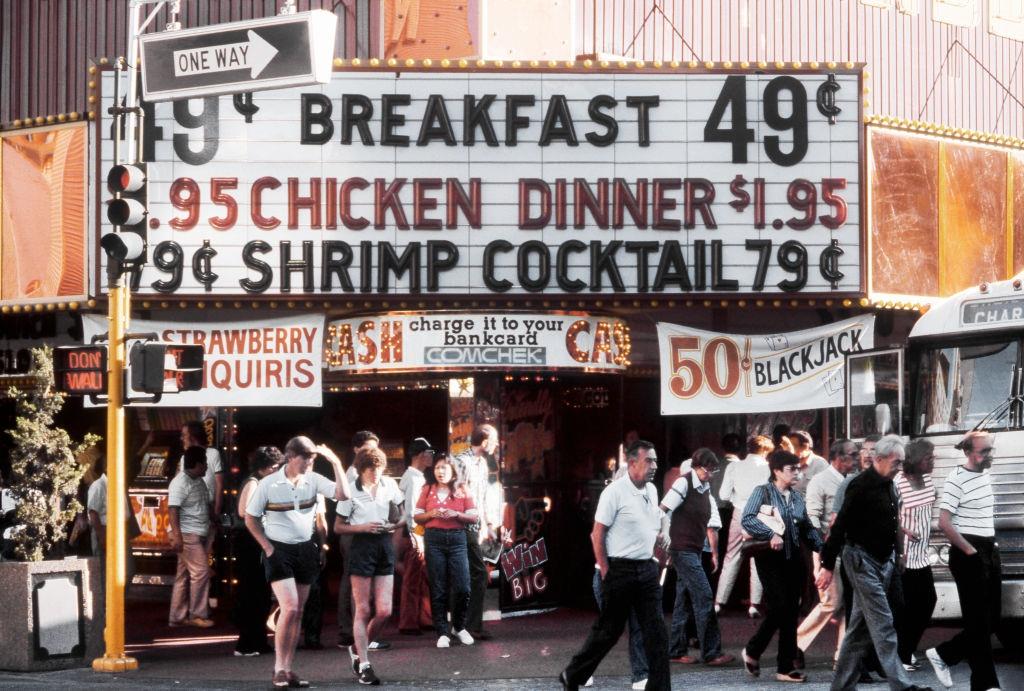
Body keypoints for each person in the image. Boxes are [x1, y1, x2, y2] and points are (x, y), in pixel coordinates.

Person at [817, 435, 930, 691]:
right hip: (861, 561)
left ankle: (841, 687)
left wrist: (899, 555)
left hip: (883, 562)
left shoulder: (890, 484)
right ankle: (902, 685)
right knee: (883, 623)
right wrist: (826, 564)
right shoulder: (859, 486)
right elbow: (839, 526)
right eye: (896, 462)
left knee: (858, 630)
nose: (899, 467)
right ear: (878, 459)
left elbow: (892, 524)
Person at [560, 440, 670, 691]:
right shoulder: (614, 492)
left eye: (655, 460)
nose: (654, 465)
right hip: (619, 569)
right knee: (608, 632)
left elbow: (656, 519)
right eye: (648, 461)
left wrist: (662, 535)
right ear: (632, 463)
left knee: (657, 634)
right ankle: (573, 675)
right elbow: (597, 535)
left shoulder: (651, 490)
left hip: (646, 568)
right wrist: (606, 570)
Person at [245, 436, 349, 689]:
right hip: (279, 550)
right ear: (291, 457)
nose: (309, 463)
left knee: (298, 611)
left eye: (313, 459)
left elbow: (343, 494)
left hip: (305, 549)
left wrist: (335, 461)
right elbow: (250, 518)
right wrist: (268, 548)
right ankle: (279, 668)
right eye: (306, 459)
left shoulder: (312, 480)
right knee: (290, 607)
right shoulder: (269, 483)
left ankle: (288, 668)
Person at [926, 431, 1002, 691]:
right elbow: (944, 523)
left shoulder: (985, 475)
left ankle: (944, 654)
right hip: (968, 552)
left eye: (990, 449)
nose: (989, 455)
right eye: (984, 451)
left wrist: (991, 545)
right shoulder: (956, 479)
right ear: (970, 452)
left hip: (988, 548)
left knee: (993, 619)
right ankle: (985, 684)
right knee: (979, 622)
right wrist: (970, 551)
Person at [740, 450, 822, 683]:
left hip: (793, 559)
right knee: (780, 607)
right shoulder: (762, 492)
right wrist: (770, 533)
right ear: (776, 471)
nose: (797, 472)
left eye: (798, 468)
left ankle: (783, 666)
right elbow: (748, 518)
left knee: (790, 611)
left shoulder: (796, 497)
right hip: (769, 559)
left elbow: (806, 528)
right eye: (791, 469)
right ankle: (756, 651)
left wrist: (824, 550)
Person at [336, 446, 403, 686]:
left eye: (379, 469)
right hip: (361, 545)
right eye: (371, 469)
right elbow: (338, 526)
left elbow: (403, 515)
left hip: (383, 543)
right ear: (361, 469)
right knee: (363, 609)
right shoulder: (350, 491)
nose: (376, 473)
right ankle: (364, 663)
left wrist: (394, 526)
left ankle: (356, 648)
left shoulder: (389, 486)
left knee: (384, 610)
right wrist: (362, 528)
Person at [660, 448, 733, 666]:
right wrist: (663, 537)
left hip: (693, 548)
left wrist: (713, 552)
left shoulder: (705, 487)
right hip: (682, 549)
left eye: (713, 471)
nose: (710, 474)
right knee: (704, 596)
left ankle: (676, 649)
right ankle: (711, 652)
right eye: (707, 470)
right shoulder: (683, 483)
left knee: (683, 600)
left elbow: (710, 522)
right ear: (696, 467)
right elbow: (663, 509)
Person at [796, 439, 858, 666]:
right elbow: (812, 517)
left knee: (846, 604)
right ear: (839, 458)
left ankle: (842, 656)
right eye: (853, 454)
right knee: (832, 601)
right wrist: (820, 557)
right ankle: (796, 644)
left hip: (849, 549)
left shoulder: (853, 479)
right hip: (826, 548)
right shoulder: (820, 481)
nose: (857, 457)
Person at [414, 453, 477, 648]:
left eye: (445, 468)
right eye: (438, 468)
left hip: (458, 539)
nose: (440, 472)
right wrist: (431, 513)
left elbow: (473, 516)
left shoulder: (462, 489)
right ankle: (441, 631)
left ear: (453, 471)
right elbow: (417, 516)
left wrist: (456, 514)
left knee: (463, 586)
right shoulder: (427, 489)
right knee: (438, 586)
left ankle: (458, 626)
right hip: (433, 539)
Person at [716, 434, 772, 617]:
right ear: (764, 451)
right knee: (757, 559)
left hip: (739, 512)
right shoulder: (767, 467)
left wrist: (737, 500)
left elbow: (723, 495)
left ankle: (719, 602)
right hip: (760, 514)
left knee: (731, 556)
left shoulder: (734, 466)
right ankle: (754, 604)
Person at [233, 446, 281, 657]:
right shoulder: (253, 483)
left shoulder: (257, 481)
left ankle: (256, 640)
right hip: (250, 542)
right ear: (266, 466)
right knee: (253, 591)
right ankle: (247, 642)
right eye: (274, 466)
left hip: (253, 540)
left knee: (259, 592)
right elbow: (244, 511)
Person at [453, 423, 499, 640]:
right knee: (478, 573)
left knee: (470, 574)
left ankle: (463, 624)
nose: (497, 445)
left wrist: (488, 524)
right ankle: (471, 625)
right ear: (484, 441)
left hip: (474, 525)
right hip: (463, 525)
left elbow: (480, 496)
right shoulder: (462, 461)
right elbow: (458, 493)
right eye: (494, 441)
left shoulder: (481, 463)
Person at [895, 439, 937, 671]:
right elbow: (890, 516)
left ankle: (906, 649)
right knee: (907, 608)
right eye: (929, 458)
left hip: (923, 555)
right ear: (915, 460)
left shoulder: (929, 481)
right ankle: (902, 654)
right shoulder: (898, 484)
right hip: (904, 556)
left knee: (928, 601)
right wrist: (903, 530)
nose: (933, 461)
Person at [337, 430, 380, 649]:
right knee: (356, 582)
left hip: (359, 532)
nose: (371, 452)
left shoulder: (358, 471)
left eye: (374, 448)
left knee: (350, 579)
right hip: (355, 532)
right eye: (366, 448)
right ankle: (355, 632)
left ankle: (348, 631)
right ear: (355, 449)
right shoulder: (354, 473)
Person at [168, 446, 213, 628]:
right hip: (188, 534)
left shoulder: (197, 481)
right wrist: (177, 536)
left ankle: (177, 617)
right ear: (198, 464)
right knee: (201, 572)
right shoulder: (180, 483)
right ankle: (197, 614)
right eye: (205, 463)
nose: (207, 467)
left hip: (194, 532)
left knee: (183, 575)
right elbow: (173, 510)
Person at [398, 437, 435, 635]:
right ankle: (409, 622)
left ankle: (422, 618)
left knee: (419, 578)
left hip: (414, 534)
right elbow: (412, 512)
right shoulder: (414, 479)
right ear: (421, 455)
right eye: (430, 454)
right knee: (413, 579)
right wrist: (417, 537)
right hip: (415, 535)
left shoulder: (413, 476)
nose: (431, 458)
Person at [180, 420, 224, 516]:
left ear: (193, 437)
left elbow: (219, 485)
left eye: (184, 435)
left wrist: (217, 511)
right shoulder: (184, 458)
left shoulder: (213, 454)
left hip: (208, 508)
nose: (182, 438)